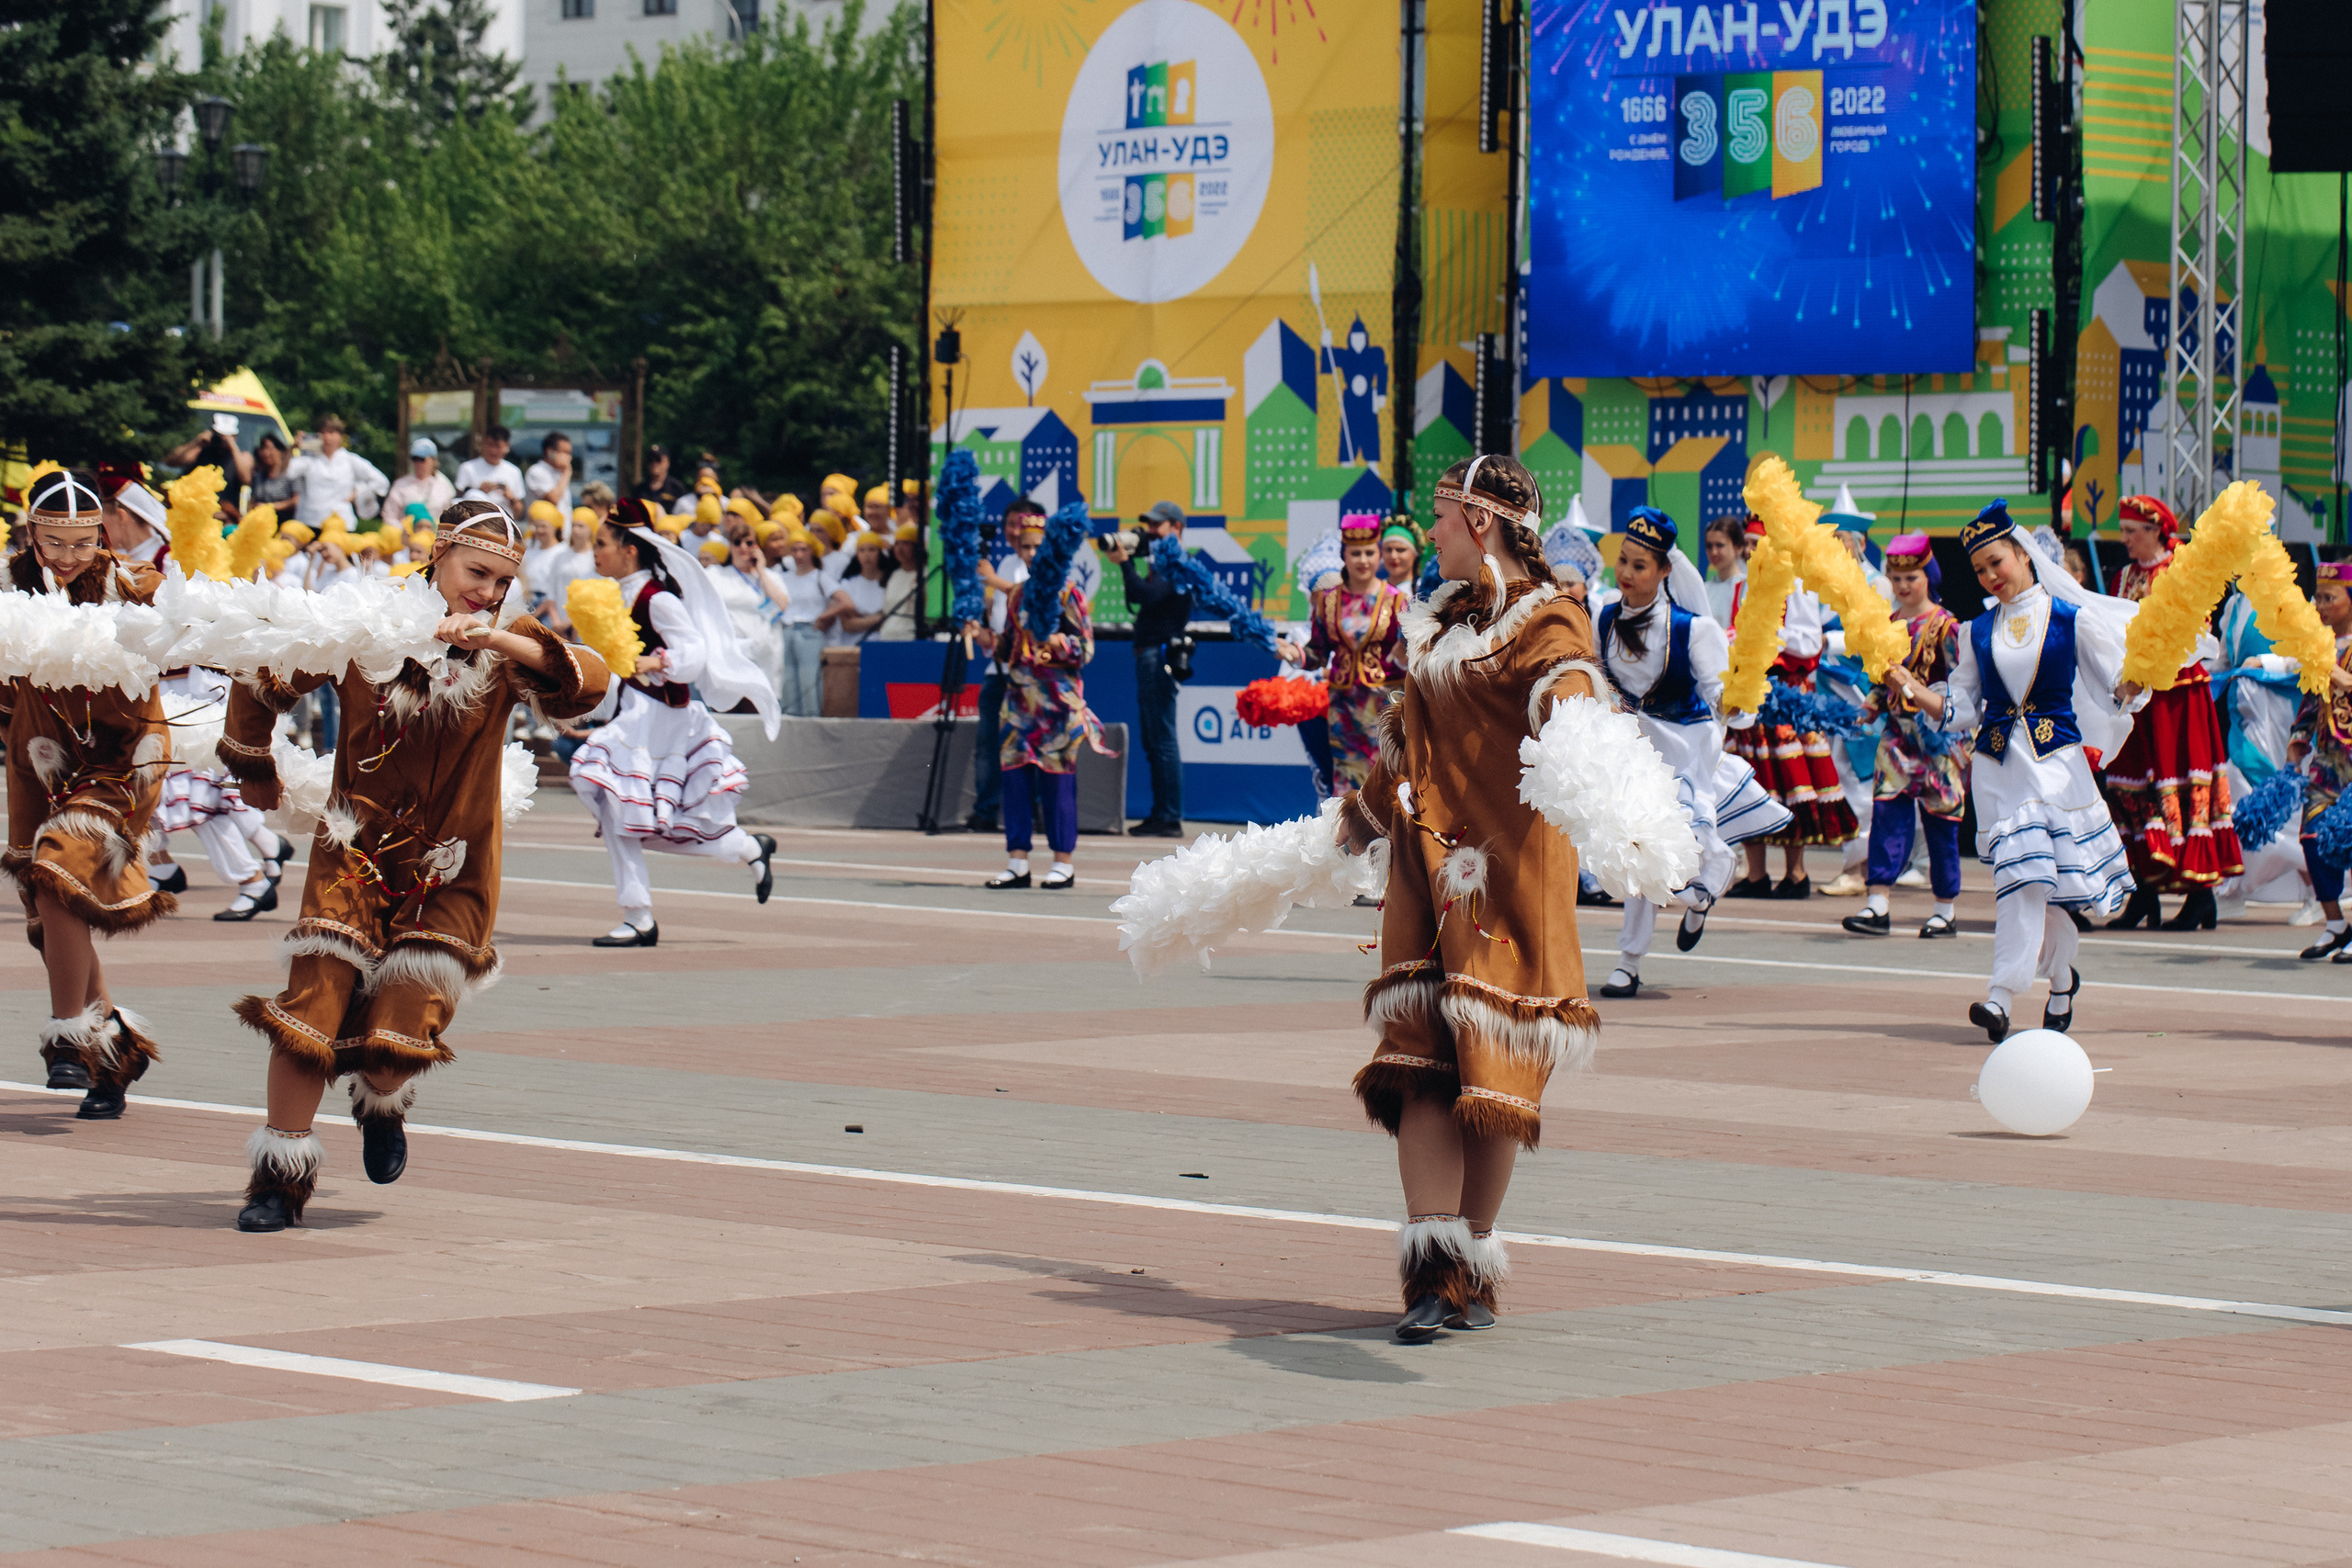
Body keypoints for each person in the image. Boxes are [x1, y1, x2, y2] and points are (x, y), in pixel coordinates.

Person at [219, 498, 613, 1230]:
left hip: (454, 868)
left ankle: (383, 1096)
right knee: (314, 1004)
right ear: (436, 552)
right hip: (355, 851)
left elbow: (588, 683)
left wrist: (497, 636)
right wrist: (250, 758)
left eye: (501, 579)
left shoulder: (506, 639)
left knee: (398, 1037)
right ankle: (278, 1177)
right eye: (476, 572)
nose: (487, 590)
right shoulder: (369, 619)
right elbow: (266, 670)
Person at [1333, 455, 1639, 1339]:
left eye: (1437, 517)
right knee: (1421, 1064)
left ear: (1478, 519)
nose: (1427, 534)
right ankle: (1433, 1276)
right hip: (1426, 875)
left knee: (1493, 1070)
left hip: (1508, 875)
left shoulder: (1551, 618)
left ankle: (1474, 1260)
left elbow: (1569, 692)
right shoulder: (1435, 628)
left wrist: (1584, 741)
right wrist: (1355, 819)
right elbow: (1409, 738)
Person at [1885, 501, 2142, 1042]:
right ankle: (2028, 990)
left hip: (2056, 770)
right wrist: (1913, 688)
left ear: (2024, 555)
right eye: (1979, 569)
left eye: (1996, 562)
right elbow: (1961, 707)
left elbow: (2111, 690)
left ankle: (2017, 991)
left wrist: (2136, 683)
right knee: (2025, 882)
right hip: (1999, 769)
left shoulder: (2071, 618)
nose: (1990, 576)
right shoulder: (1976, 630)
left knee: (2038, 886)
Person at [4, 471, 174, 1121]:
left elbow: (200, 624)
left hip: (122, 753)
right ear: (31, 534)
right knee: (49, 918)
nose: (70, 556)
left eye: (83, 541)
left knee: (59, 870)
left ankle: (68, 1038)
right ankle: (115, 1053)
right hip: (37, 755)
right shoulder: (6, 587)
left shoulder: (132, 584)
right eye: (55, 542)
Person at [1590, 507, 1787, 998]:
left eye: (1640, 566)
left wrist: (1738, 699)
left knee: (1683, 837)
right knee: (1637, 844)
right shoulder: (1604, 618)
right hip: (1633, 747)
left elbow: (1719, 695)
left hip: (1685, 745)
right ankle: (1628, 961)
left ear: (1664, 572)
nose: (1628, 574)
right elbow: (1593, 678)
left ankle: (1709, 879)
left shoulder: (1693, 629)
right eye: (1624, 562)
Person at [568, 499, 780, 947]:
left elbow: (693, 654)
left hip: (661, 716)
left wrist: (654, 660)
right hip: (638, 713)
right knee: (638, 818)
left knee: (616, 802)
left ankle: (640, 916)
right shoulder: (615, 595)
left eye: (603, 543)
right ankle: (745, 848)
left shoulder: (656, 598)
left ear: (631, 549)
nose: (595, 551)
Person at [2101, 495, 2245, 930]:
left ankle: (2201, 895)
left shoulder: (2183, 569)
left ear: (2155, 530)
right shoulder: (2124, 577)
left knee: (2179, 780)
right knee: (2131, 785)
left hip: (2176, 696)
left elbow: (2197, 634)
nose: (2125, 540)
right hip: (2136, 699)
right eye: (2123, 532)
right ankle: (2144, 891)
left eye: (2131, 532)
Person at [1713, 513, 1852, 897]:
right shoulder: (1742, 588)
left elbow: (1811, 643)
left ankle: (1796, 874)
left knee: (1792, 789)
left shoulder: (1796, 588)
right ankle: (1756, 875)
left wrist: (1772, 636)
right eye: (1749, 546)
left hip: (1787, 707)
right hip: (1751, 703)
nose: (1752, 552)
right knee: (1750, 787)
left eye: (1759, 546)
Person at [1840, 535, 1971, 939]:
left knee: (1941, 823)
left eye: (1910, 577)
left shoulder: (1947, 626)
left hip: (1937, 739)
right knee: (1887, 815)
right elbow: (1883, 679)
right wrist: (1871, 705)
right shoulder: (1890, 623)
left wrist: (1962, 740)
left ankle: (1945, 908)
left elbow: (1963, 685)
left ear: (1928, 576)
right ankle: (1877, 903)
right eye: (1895, 577)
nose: (1901, 586)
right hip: (1897, 737)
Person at [984, 506, 1105, 892]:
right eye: (1025, 546)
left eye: (1038, 546)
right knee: (1015, 780)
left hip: (1058, 703)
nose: (1032, 553)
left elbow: (1085, 649)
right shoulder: (1018, 596)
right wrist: (987, 639)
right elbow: (1007, 648)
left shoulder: (1070, 593)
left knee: (1057, 781)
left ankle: (1062, 861)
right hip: (1020, 702)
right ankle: (1017, 860)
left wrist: (1058, 643)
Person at [1274, 513, 1408, 792]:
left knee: (1388, 786)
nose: (1363, 560)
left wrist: (1405, 654)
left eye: (1369, 553)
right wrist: (1292, 654)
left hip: (1385, 708)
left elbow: (1413, 655)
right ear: (1344, 555)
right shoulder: (1328, 601)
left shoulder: (1397, 601)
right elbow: (1317, 654)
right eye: (1355, 553)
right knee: (1348, 789)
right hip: (1344, 710)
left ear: (1378, 555)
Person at [1107, 500, 1192, 837]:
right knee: (1154, 737)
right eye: (1150, 525)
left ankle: (1169, 815)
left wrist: (1125, 563)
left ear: (1177, 528)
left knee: (1163, 737)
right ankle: (1162, 813)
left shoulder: (1177, 564)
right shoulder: (1164, 562)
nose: (1152, 532)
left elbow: (1146, 595)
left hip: (1159, 655)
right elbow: (1142, 595)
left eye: (1159, 525)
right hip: (1150, 653)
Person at [2288, 562, 2352, 959]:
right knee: (2312, 837)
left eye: (2330, 598)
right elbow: (2311, 701)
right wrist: (2298, 740)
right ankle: (2335, 923)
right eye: (2318, 598)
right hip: (2328, 762)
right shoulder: (2321, 649)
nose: (2320, 606)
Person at [967, 502, 1040, 833]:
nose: (1014, 532)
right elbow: (1000, 621)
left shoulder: (1038, 564)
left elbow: (1028, 596)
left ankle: (1036, 812)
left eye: (1021, 526)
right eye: (1010, 525)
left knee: (1031, 744)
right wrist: (977, 632)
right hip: (996, 668)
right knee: (988, 743)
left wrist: (992, 580)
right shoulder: (1006, 561)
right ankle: (986, 810)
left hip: (1030, 673)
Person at [711, 524, 789, 694]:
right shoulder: (715, 574)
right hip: (731, 651)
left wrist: (761, 570)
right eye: (737, 542)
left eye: (749, 543)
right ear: (730, 546)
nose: (743, 547)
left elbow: (782, 604)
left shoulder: (771, 576)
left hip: (765, 652)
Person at [285, 416, 389, 526]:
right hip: (309, 521)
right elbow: (286, 472)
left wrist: (358, 491)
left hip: (340, 523)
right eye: (323, 433)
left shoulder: (350, 460)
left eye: (331, 432)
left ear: (340, 436)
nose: (327, 437)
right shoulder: (309, 460)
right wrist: (291, 449)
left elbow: (381, 481)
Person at [774, 526, 830, 717]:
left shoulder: (820, 576)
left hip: (809, 630)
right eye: (795, 550)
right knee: (787, 679)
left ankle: (812, 717)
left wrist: (824, 616)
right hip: (786, 629)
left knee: (809, 679)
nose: (799, 554)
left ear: (812, 551)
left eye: (803, 549)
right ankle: (789, 717)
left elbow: (844, 601)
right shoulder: (784, 577)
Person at [819, 530, 891, 647]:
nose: (867, 555)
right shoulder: (847, 584)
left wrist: (862, 619)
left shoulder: (891, 582)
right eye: (861, 550)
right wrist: (879, 618)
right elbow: (847, 625)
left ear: (880, 553)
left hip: (884, 644)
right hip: (854, 647)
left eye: (872, 549)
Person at [385, 436, 457, 523]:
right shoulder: (400, 485)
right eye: (415, 459)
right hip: (404, 533)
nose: (418, 463)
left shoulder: (445, 486)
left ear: (433, 461)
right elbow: (389, 516)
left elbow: (450, 519)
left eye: (422, 459)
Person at [454, 425, 524, 512]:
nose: (493, 450)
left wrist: (512, 498)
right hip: (476, 519)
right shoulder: (467, 468)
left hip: (504, 520)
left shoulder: (514, 472)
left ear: (507, 446)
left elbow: (519, 513)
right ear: (483, 444)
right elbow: (457, 503)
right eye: (490, 445)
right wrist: (479, 492)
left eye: (498, 446)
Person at [876, 524, 926, 641]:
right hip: (887, 637)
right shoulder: (893, 575)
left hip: (912, 638)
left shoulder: (926, 574)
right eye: (897, 543)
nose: (900, 548)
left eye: (906, 543)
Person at [524, 432, 574, 515]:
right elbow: (553, 499)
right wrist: (567, 472)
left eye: (569, 453)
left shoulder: (559, 473)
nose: (569, 457)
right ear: (550, 452)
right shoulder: (536, 471)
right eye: (565, 452)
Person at [632, 445, 685, 512]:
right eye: (650, 460)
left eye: (658, 459)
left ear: (667, 463)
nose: (654, 463)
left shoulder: (676, 488)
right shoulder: (639, 490)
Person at [1380, 517, 1426, 594]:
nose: (1393, 556)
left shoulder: (1424, 591)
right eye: (1388, 550)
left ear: (1415, 554)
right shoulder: (1375, 592)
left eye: (1400, 550)